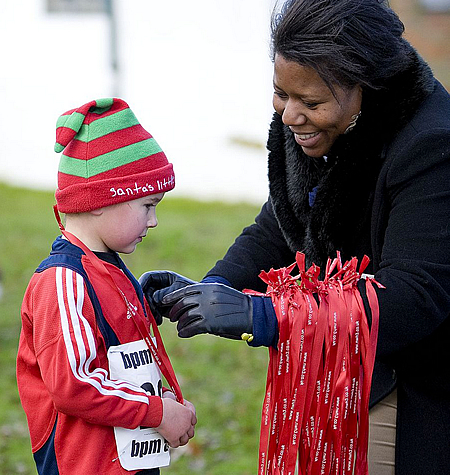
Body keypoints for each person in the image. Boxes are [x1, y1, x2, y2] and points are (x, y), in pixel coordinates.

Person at [139, 1, 450, 474]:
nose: (289, 116)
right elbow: (283, 223)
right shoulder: (309, 122)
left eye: (310, 102)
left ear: (365, 87)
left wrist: (269, 316)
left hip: (413, 382)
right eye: (280, 93)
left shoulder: (431, 146)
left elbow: (414, 296)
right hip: (337, 366)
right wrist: (212, 286)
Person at [16, 98, 197, 475]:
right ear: (99, 200)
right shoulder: (63, 281)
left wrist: (163, 396)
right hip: (85, 464)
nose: (154, 221)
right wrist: (157, 412)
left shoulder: (110, 268)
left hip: (130, 458)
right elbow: (75, 383)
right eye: (148, 205)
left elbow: (124, 360)